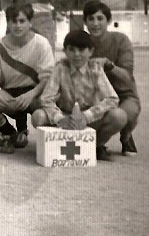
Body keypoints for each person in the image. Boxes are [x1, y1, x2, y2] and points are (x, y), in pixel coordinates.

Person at [33, 30, 128, 162]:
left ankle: (96, 145)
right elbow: (46, 98)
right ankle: (55, 144)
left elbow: (112, 99)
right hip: (65, 117)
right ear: (65, 51)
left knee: (119, 116)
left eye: (82, 50)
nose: (76, 54)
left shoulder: (95, 69)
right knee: (38, 116)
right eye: (71, 50)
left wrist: (87, 116)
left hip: (89, 119)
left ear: (91, 51)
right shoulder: (60, 68)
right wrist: (60, 119)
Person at [0, 2, 55, 154]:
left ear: (30, 22)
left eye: (22, 21)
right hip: (9, 92)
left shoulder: (41, 43)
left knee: (43, 114)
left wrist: (31, 95)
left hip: (34, 93)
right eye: (14, 21)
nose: (18, 26)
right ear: (8, 22)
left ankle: (51, 142)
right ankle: (12, 134)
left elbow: (48, 77)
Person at [83, 0, 140, 156]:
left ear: (108, 20)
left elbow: (127, 77)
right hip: (94, 97)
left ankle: (126, 135)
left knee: (125, 114)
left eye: (100, 18)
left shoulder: (121, 40)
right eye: (91, 19)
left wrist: (109, 65)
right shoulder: (82, 42)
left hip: (123, 95)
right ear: (85, 22)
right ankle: (98, 143)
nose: (95, 23)